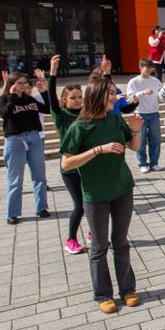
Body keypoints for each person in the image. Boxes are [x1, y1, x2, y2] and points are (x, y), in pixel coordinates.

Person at [59, 70, 144, 314]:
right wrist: (98, 150)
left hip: (122, 188)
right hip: (95, 194)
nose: (116, 96)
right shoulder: (80, 127)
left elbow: (134, 147)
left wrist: (136, 130)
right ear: (98, 96)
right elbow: (66, 163)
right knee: (99, 246)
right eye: (111, 93)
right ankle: (103, 294)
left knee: (121, 242)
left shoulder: (116, 120)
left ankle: (127, 289)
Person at [0, 69, 50, 225]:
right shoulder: (4, 99)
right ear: (12, 85)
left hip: (34, 136)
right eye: (19, 83)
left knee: (39, 176)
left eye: (25, 83)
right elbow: (4, 114)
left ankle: (41, 208)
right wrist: (13, 96)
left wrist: (45, 92)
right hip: (15, 140)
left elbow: (48, 109)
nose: (23, 86)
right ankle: (12, 213)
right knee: (15, 179)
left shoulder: (31, 100)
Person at [48, 56, 87, 254]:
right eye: (73, 97)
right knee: (79, 206)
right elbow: (52, 101)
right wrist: (53, 72)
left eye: (80, 97)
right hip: (70, 167)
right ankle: (71, 239)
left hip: (88, 165)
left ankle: (93, 233)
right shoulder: (61, 115)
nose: (78, 100)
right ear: (65, 99)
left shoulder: (87, 113)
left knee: (93, 202)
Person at [126, 59, 162, 172]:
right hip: (140, 113)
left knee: (155, 139)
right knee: (141, 141)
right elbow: (130, 98)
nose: (149, 70)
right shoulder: (134, 82)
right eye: (147, 67)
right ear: (140, 67)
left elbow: (161, 95)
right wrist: (142, 93)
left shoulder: (156, 81)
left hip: (154, 113)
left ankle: (154, 163)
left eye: (151, 68)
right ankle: (142, 163)